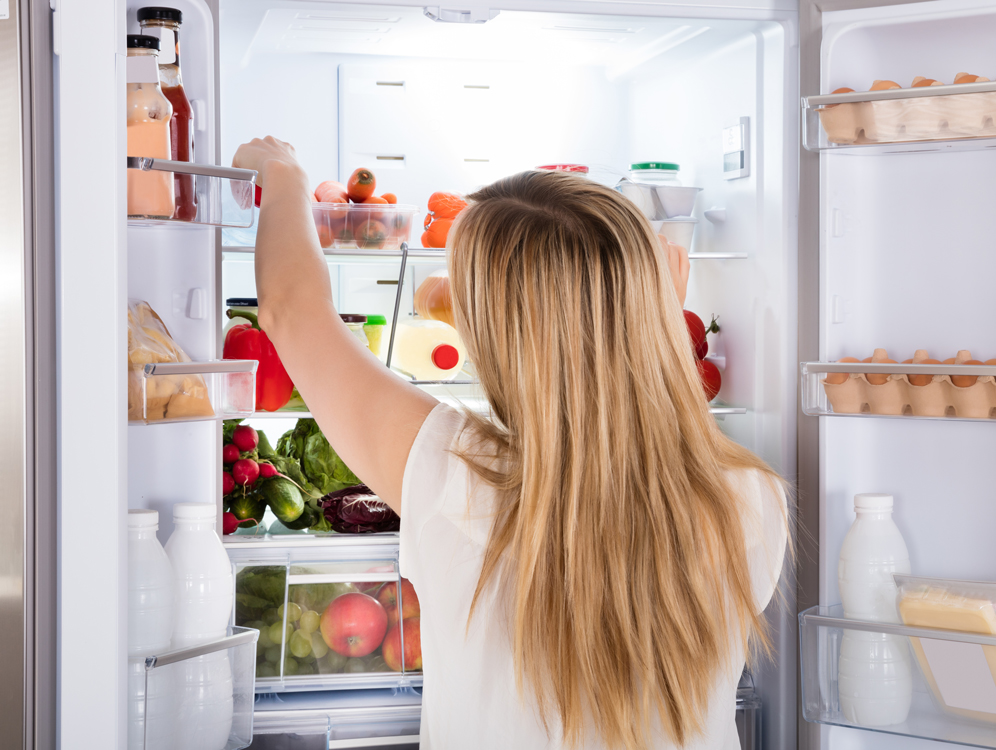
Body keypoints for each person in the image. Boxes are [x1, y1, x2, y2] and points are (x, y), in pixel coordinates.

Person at [233, 137, 788, 750]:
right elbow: (643, 428)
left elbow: (292, 312)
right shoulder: (750, 498)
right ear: (651, 304)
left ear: (495, 338)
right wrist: (648, 324)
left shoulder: (455, 475)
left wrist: (282, 170)